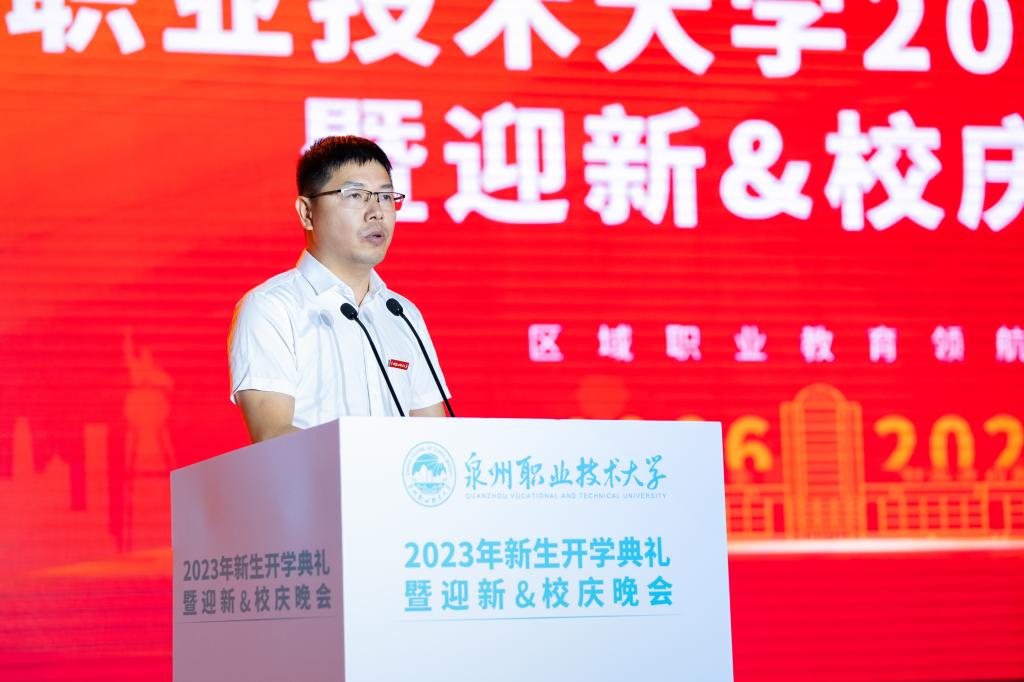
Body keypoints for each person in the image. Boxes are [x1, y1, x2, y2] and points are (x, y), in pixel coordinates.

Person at [228, 136, 449, 442]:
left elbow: (438, 438)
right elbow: (272, 435)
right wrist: (372, 460)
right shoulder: (271, 308)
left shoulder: (402, 314)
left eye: (386, 197)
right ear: (307, 213)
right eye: (356, 195)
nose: (377, 212)